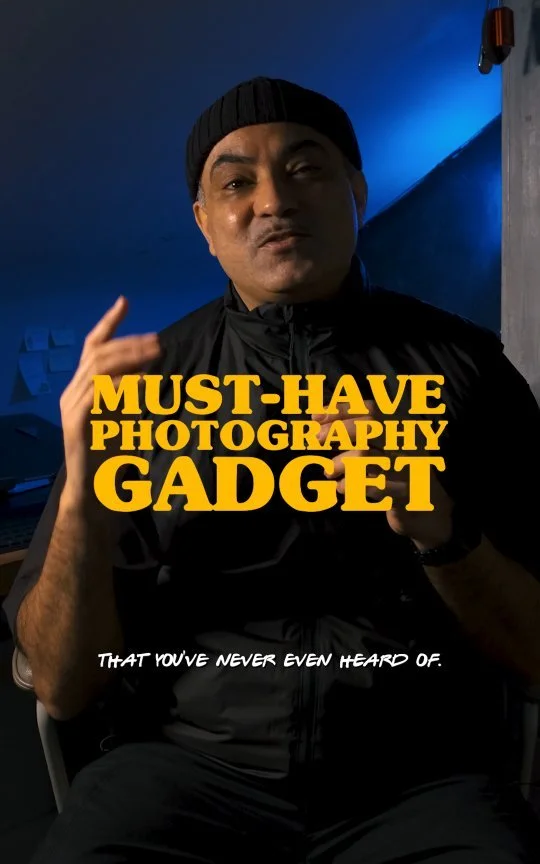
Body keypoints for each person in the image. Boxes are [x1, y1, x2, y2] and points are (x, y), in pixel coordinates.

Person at [4, 76, 540, 863]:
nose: (273, 202)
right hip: (179, 777)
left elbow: (534, 649)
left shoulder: (469, 369)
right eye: (235, 184)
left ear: (357, 191)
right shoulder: (143, 387)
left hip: (417, 781)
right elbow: (60, 682)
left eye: (306, 169)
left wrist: (439, 529)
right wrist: (83, 486)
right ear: (204, 223)